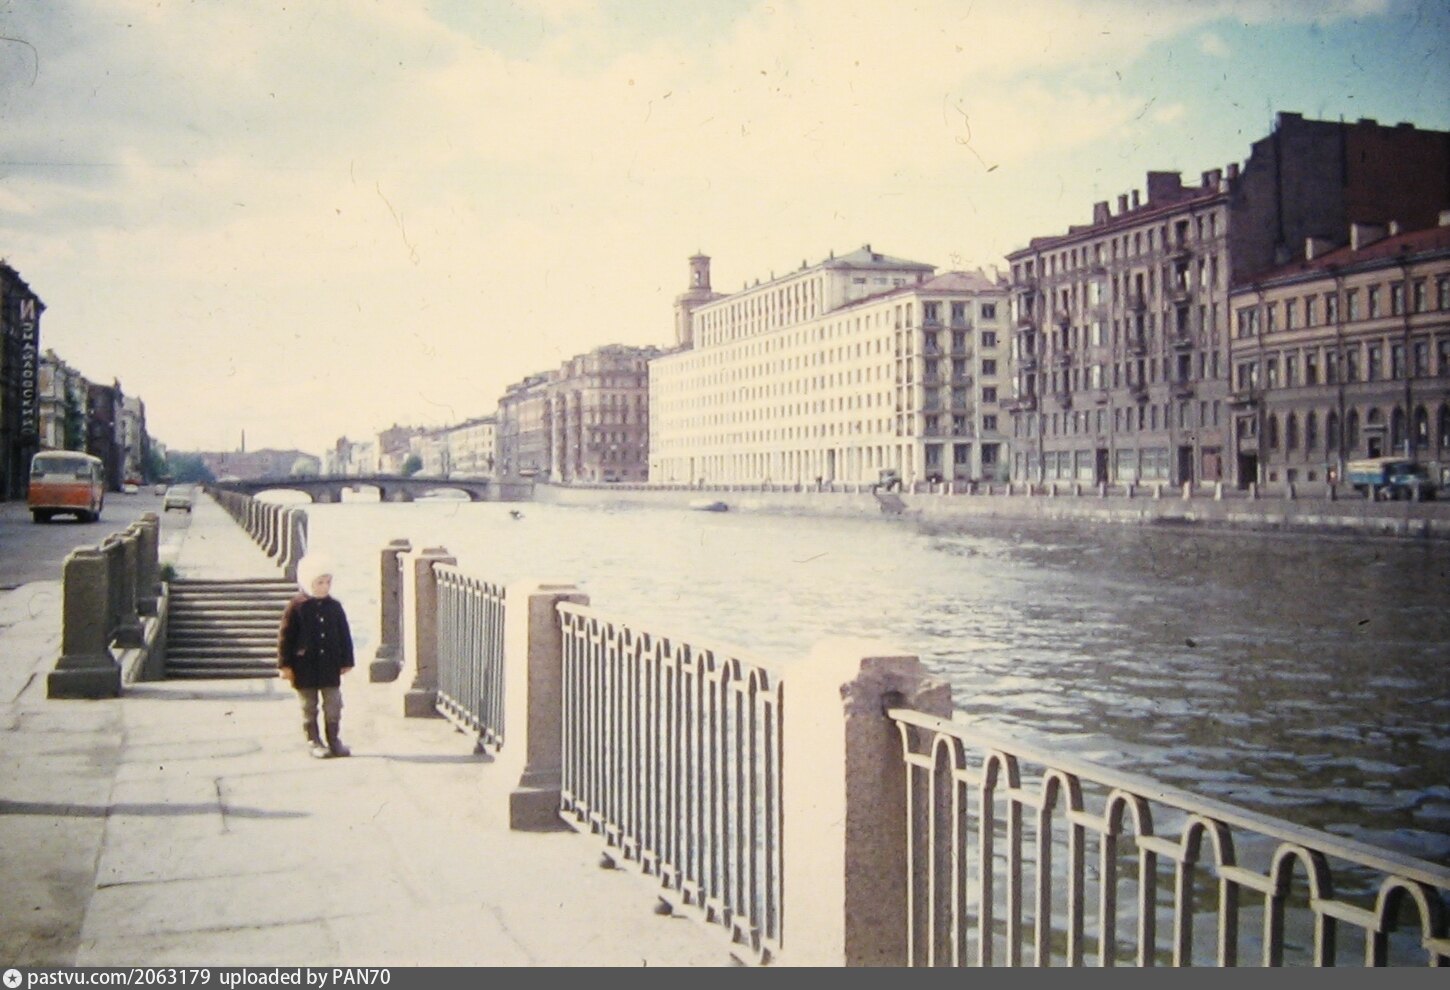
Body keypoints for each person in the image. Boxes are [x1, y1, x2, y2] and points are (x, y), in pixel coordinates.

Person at [278, 553, 355, 759]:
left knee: (333, 704)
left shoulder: (335, 607)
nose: (325, 587)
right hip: (305, 666)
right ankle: (313, 740)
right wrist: (285, 665)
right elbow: (285, 637)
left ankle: (334, 740)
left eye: (328, 582)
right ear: (308, 582)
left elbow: (344, 634)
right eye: (320, 582)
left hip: (329, 665)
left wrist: (347, 660)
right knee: (308, 705)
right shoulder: (297, 606)